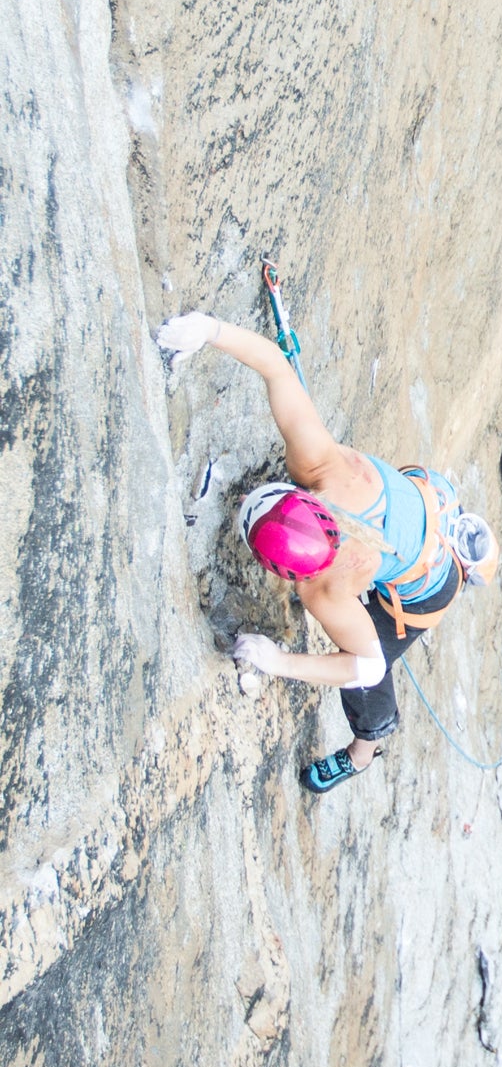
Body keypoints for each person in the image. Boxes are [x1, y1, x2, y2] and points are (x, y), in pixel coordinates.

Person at [156, 310, 481, 794]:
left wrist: (278, 661)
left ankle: (365, 749)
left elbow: (365, 664)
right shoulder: (324, 463)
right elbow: (275, 367)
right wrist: (209, 330)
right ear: (303, 492)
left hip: (427, 586)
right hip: (430, 504)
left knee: (370, 674)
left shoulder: (324, 590)